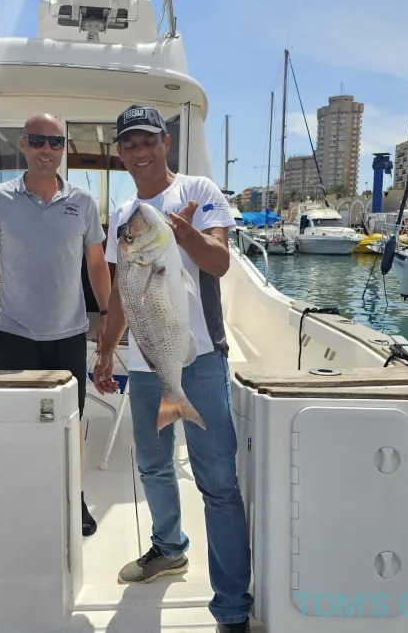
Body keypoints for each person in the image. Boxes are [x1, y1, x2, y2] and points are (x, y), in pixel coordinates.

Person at [93, 105, 254, 632]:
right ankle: (168, 548)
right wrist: (105, 351)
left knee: (219, 483)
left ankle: (231, 605)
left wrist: (186, 236)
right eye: (129, 144)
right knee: (153, 467)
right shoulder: (123, 214)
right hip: (146, 365)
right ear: (121, 153)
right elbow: (123, 293)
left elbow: (219, 262)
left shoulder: (198, 191)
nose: (140, 151)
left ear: (166, 142)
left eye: (148, 140)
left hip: (201, 359)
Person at [0, 113, 112, 537]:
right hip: (15, 333)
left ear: (64, 149)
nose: (47, 149)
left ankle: (74, 496)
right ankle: (21, 497)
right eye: (39, 141)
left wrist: (108, 319)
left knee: (71, 420)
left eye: (56, 142)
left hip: (70, 334)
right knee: (17, 420)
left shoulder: (84, 201)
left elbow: (96, 264)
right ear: (23, 144)